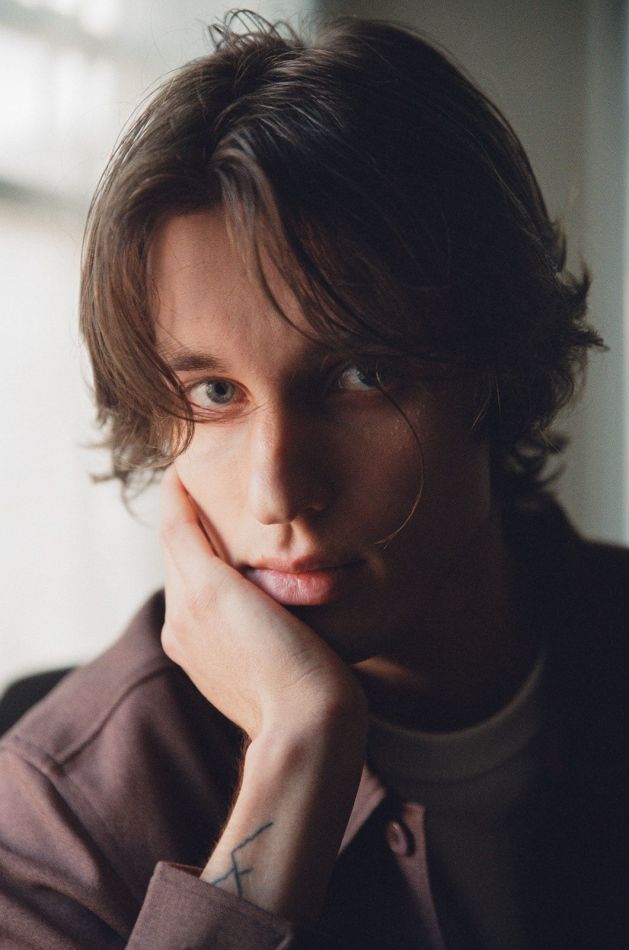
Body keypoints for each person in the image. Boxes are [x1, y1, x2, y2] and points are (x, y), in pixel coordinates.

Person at [1, 11, 627, 949]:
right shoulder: (61, 812)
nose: (280, 493)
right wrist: (295, 752)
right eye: (214, 393)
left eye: (361, 376)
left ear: (494, 372)